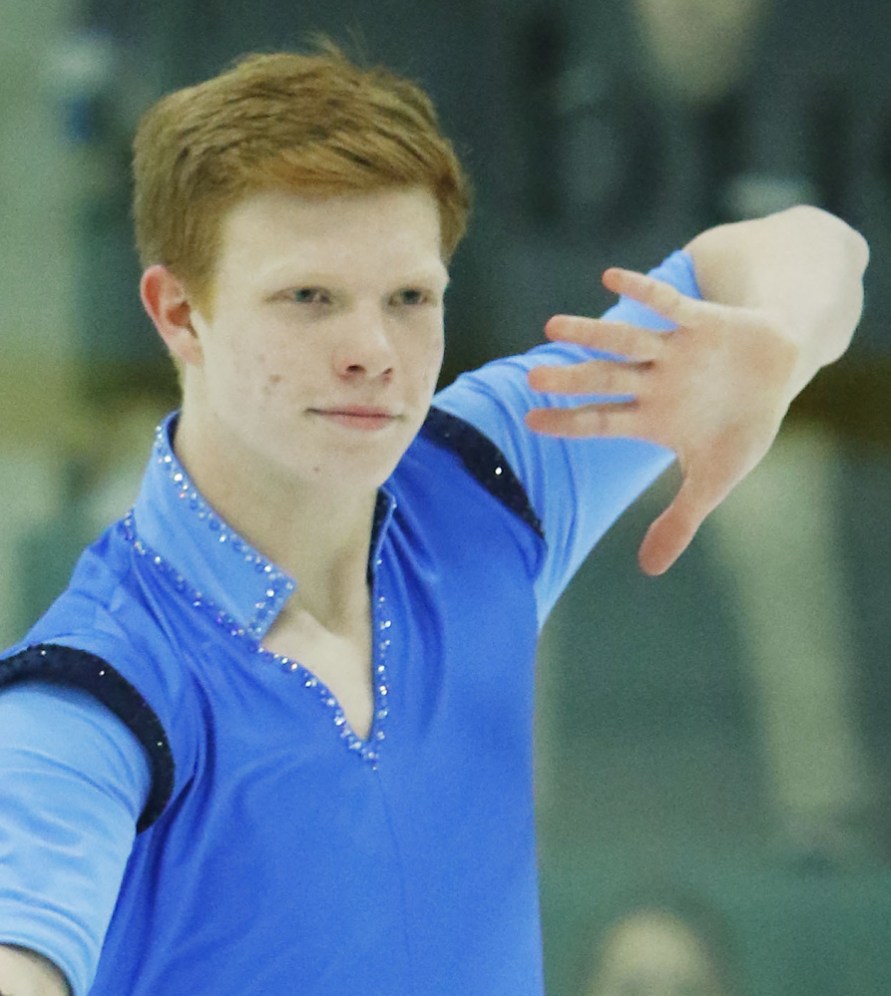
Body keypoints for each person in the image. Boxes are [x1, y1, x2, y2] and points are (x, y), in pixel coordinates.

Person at [0, 43, 868, 996]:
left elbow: (815, 246)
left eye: (410, 298)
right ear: (178, 313)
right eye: (309, 298)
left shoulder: (484, 477)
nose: (373, 350)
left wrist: (777, 349)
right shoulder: (92, 698)